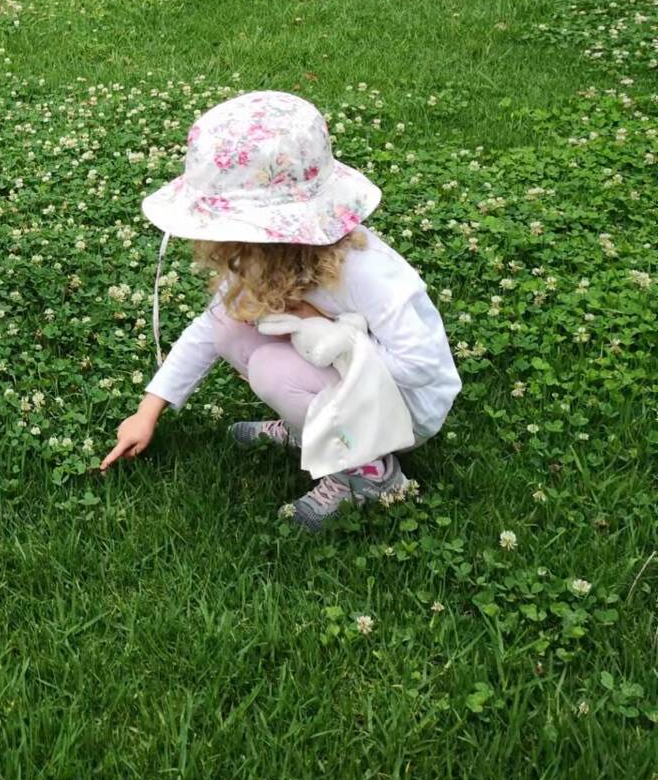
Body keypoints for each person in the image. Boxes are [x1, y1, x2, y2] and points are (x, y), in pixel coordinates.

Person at [100, 91, 461, 530]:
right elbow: (206, 331)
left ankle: (370, 474)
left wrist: (330, 332)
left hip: (407, 409)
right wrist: (148, 410)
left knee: (272, 369)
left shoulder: (364, 270)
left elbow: (420, 365)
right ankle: (309, 426)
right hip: (355, 385)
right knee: (230, 324)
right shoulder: (264, 257)